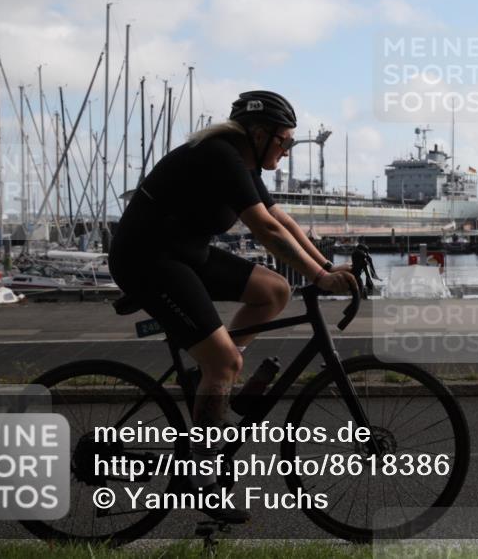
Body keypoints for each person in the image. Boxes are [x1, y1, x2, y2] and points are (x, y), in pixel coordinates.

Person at [108, 90, 358, 523]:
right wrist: (319, 279)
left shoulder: (243, 162)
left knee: (274, 291)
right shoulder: (219, 155)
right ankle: (201, 480)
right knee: (224, 362)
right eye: (284, 141)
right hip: (147, 259)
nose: (286, 149)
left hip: (186, 253)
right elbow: (262, 228)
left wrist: (325, 265)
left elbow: (282, 220)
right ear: (258, 134)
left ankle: (215, 375)